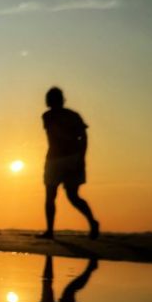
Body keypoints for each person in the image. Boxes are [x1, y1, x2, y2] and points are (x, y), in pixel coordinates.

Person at [39, 87, 99, 239]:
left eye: (53, 98)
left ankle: (92, 223)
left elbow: (83, 138)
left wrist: (80, 158)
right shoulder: (47, 116)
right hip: (54, 159)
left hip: (71, 158)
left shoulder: (71, 116)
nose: (50, 101)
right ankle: (50, 231)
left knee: (72, 196)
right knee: (50, 196)